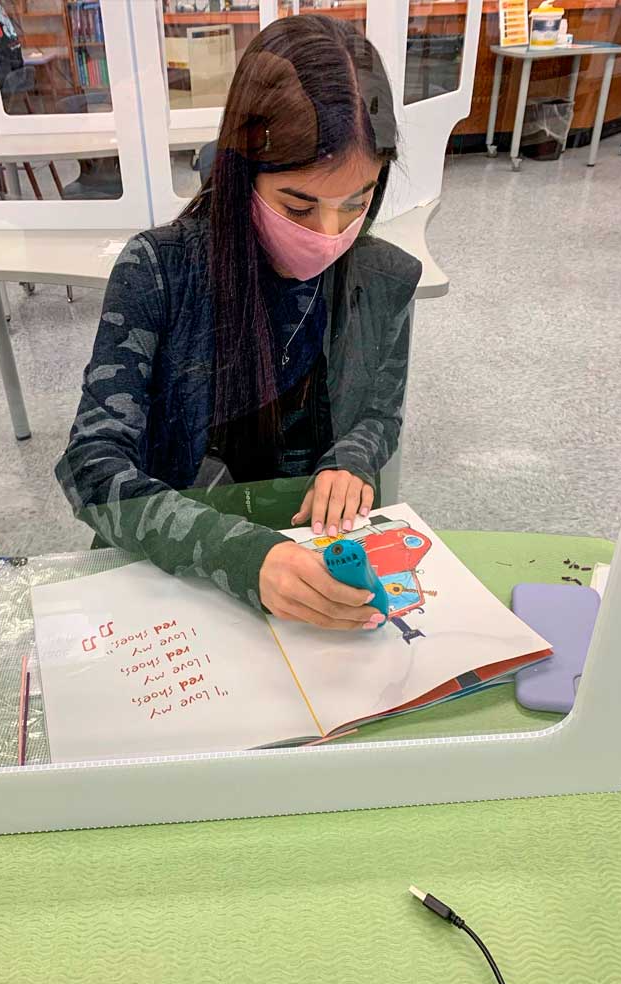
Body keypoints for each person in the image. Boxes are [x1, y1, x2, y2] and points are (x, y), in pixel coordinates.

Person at [55, 15, 421, 631]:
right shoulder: (160, 271)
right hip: (179, 575)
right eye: (298, 205)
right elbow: (93, 464)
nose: (329, 235)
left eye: (358, 202)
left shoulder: (384, 278)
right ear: (239, 175)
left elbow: (380, 413)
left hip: (316, 562)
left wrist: (350, 462)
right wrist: (244, 557)